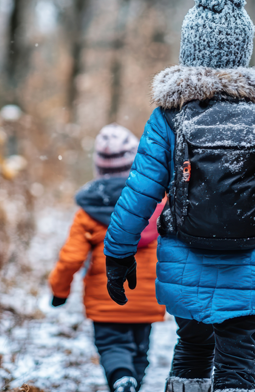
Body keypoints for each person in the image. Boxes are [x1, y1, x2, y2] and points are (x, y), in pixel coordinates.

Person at [102, 0, 255, 392]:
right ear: (242, 52)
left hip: (185, 265)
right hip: (248, 267)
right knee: (237, 365)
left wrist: (118, 253)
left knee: (194, 345)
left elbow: (139, 194)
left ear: (189, 49)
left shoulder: (168, 116)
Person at [48, 123, 166, 392]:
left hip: (106, 298)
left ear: (98, 168)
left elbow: (71, 258)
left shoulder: (89, 211)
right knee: (139, 349)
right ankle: (131, 380)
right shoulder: (158, 203)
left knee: (113, 346)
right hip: (147, 296)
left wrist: (59, 290)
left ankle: (122, 380)